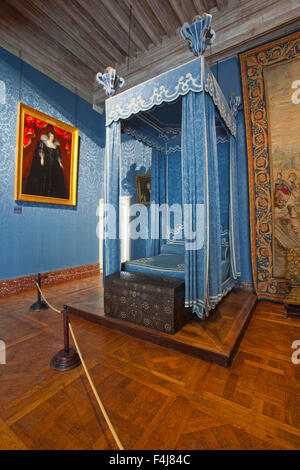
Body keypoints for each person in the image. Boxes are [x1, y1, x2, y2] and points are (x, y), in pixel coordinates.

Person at [24, 131, 68, 199]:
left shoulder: (55, 145)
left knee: (55, 178)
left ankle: (52, 194)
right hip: (46, 162)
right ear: (49, 136)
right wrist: (42, 159)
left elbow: (57, 155)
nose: (52, 137)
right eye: (51, 136)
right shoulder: (43, 142)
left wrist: (60, 163)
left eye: (53, 136)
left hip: (53, 163)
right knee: (44, 177)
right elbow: (40, 151)